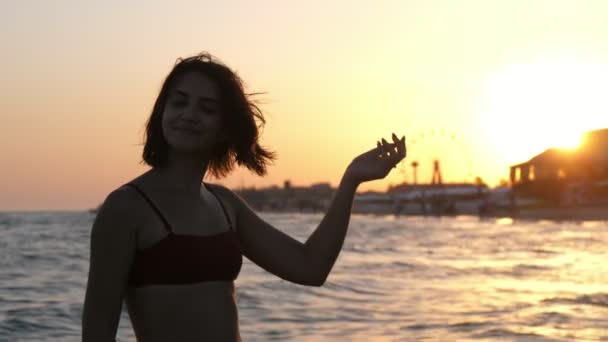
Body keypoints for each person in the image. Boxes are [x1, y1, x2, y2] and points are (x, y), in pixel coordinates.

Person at [82, 52, 406, 342]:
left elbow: (310, 268)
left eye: (207, 108)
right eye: (179, 102)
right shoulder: (126, 208)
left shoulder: (225, 204)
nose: (189, 115)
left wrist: (350, 181)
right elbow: (98, 330)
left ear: (225, 126)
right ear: (161, 111)